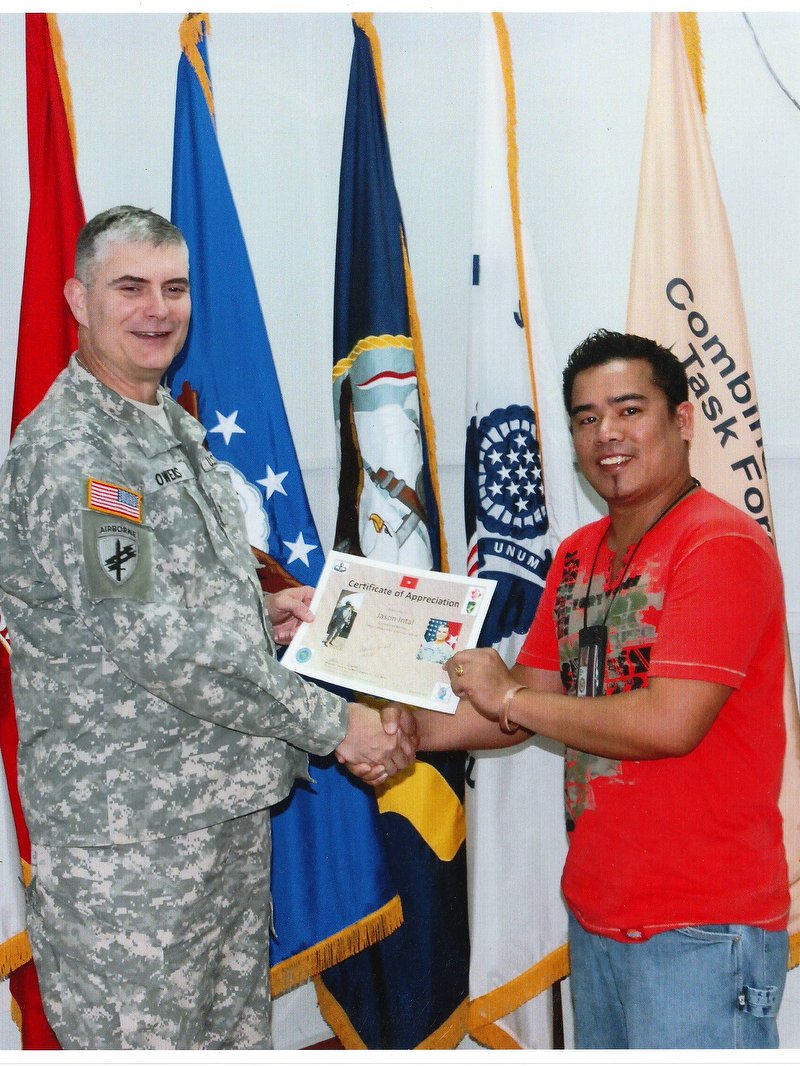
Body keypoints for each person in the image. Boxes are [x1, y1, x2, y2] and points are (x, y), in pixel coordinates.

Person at [0, 206, 417, 1051]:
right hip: (130, 854)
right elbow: (158, 642)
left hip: (217, 822)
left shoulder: (165, 425)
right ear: (78, 299)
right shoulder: (76, 452)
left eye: (175, 288)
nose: (158, 310)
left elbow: (158, 602)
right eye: (131, 288)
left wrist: (262, 613)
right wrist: (335, 724)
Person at [414, 330, 790, 1049]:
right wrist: (406, 729)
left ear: (681, 420)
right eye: (586, 418)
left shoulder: (720, 546)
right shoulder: (576, 554)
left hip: (702, 928)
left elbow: (668, 723)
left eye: (628, 410)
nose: (606, 434)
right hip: (597, 916)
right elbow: (523, 702)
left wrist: (510, 699)